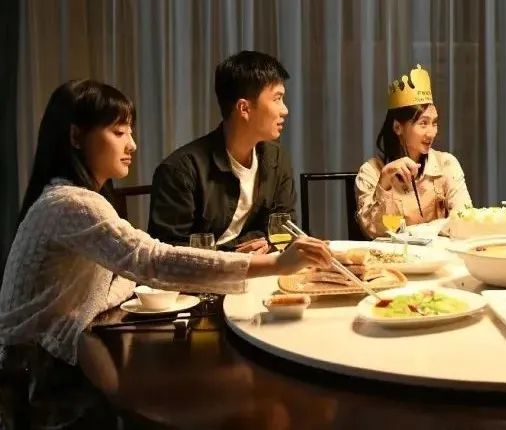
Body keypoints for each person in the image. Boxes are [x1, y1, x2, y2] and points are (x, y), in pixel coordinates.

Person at [0, 79, 331, 368]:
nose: (132, 144)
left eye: (130, 132)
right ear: (76, 136)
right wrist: (276, 264)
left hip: (49, 357)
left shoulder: (74, 197)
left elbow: (131, 268)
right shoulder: (72, 203)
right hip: (32, 374)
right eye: (118, 132)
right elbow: (153, 259)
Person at [148, 51, 296, 253]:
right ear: (244, 108)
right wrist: (234, 254)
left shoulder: (276, 158)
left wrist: (267, 243)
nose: (284, 110)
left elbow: (286, 226)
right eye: (277, 99)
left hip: (259, 268)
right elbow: (167, 251)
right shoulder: (181, 170)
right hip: (203, 273)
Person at [355, 64, 472, 238]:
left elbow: (464, 218)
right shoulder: (370, 172)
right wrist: (384, 180)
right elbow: (373, 232)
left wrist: (417, 232)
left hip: (439, 253)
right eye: (423, 123)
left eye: (434, 123)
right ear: (397, 127)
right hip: (395, 255)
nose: (431, 133)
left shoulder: (447, 164)